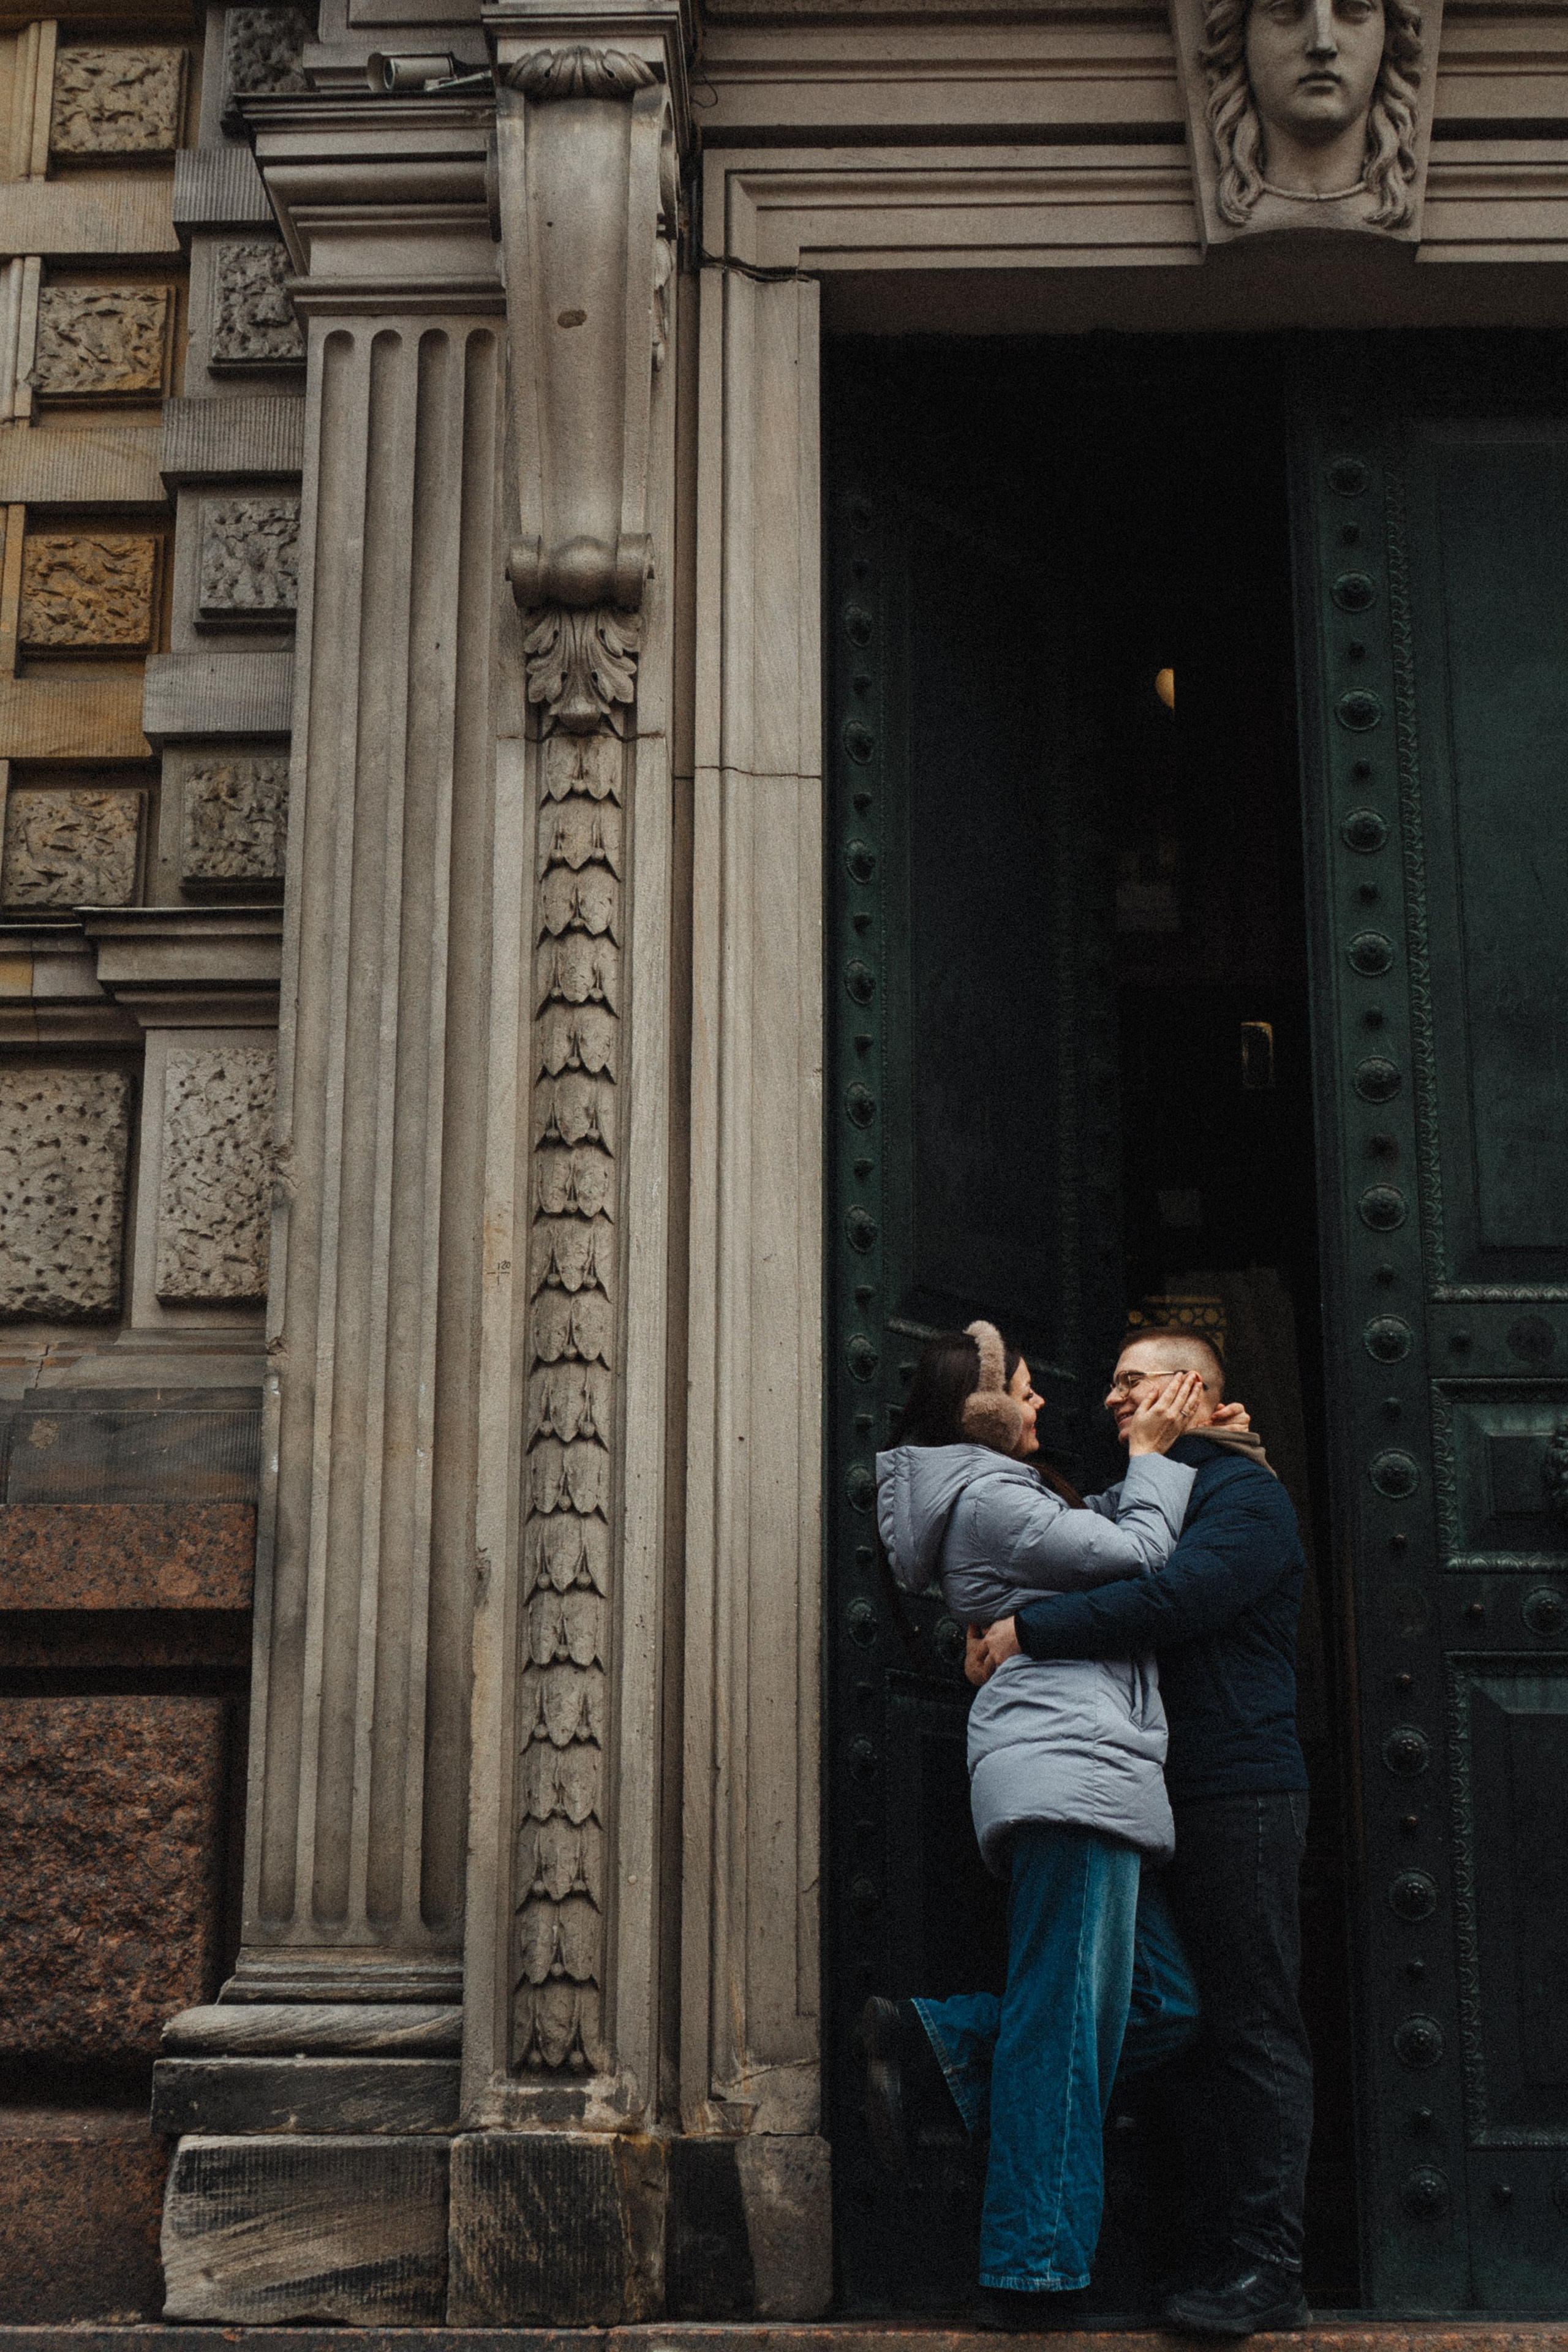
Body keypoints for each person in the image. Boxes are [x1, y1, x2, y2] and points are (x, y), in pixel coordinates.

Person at [863, 1319, 1212, 2324]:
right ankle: (1033, 2270)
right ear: (982, 1411)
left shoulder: (1001, 1495)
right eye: (1025, 1388)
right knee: (1062, 2029)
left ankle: (939, 2043)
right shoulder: (991, 1496)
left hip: (1085, 1767)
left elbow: (1096, 1542)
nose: (1043, 1402)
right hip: (1072, 1772)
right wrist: (1156, 1455)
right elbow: (1142, 1553)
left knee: (1162, 2004)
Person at [969, 1328, 1313, 2338]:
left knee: (1250, 2029)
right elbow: (1076, 1555)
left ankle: (1270, 2271)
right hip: (1148, 1796)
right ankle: (1197, 2254)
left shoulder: (1247, 1497)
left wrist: (1025, 1634)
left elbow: (1170, 1598)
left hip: (1240, 1795)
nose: (1115, 1399)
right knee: (1165, 2014)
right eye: (1113, 1384)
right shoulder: (1145, 1491)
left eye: (1134, 1382)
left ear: (1193, 1390)